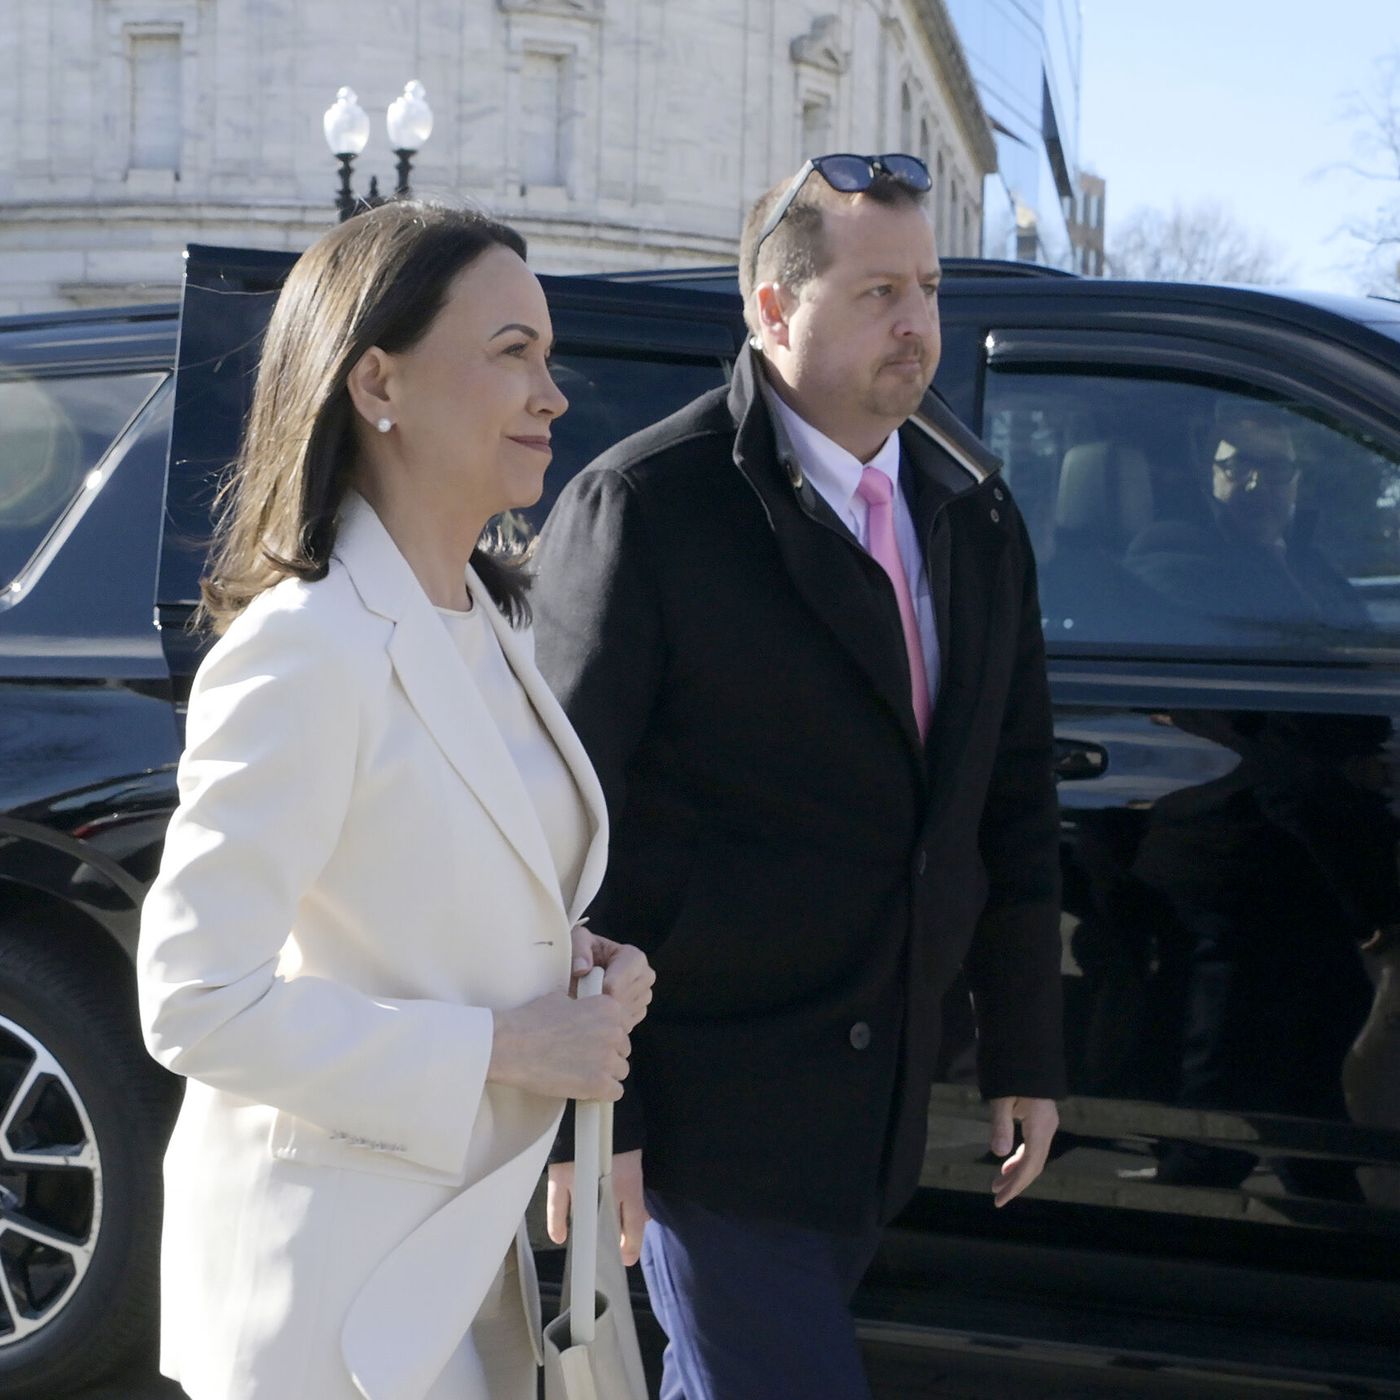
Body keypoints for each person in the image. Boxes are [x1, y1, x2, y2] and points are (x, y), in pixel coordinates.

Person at [532, 154, 1065, 1400]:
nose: (917, 321)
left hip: (873, 1114)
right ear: (773, 312)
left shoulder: (971, 508)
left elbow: (1011, 791)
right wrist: (586, 1116)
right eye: (878, 290)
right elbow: (556, 841)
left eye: (927, 287)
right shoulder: (647, 507)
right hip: (704, 1111)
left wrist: (1023, 1049)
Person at [136, 201, 653, 1400]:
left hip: (466, 1265)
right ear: (379, 379)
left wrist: (575, 963)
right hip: (329, 1299)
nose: (552, 392)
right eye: (509, 351)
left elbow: (420, 895)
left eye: (547, 352)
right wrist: (508, 1044)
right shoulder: (305, 647)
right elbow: (194, 999)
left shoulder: (490, 620)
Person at [1125, 402, 1371, 636]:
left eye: (1276, 468)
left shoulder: (1313, 564)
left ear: (1296, 481)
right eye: (1238, 466)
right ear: (1208, 477)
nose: (1257, 485)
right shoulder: (1174, 556)